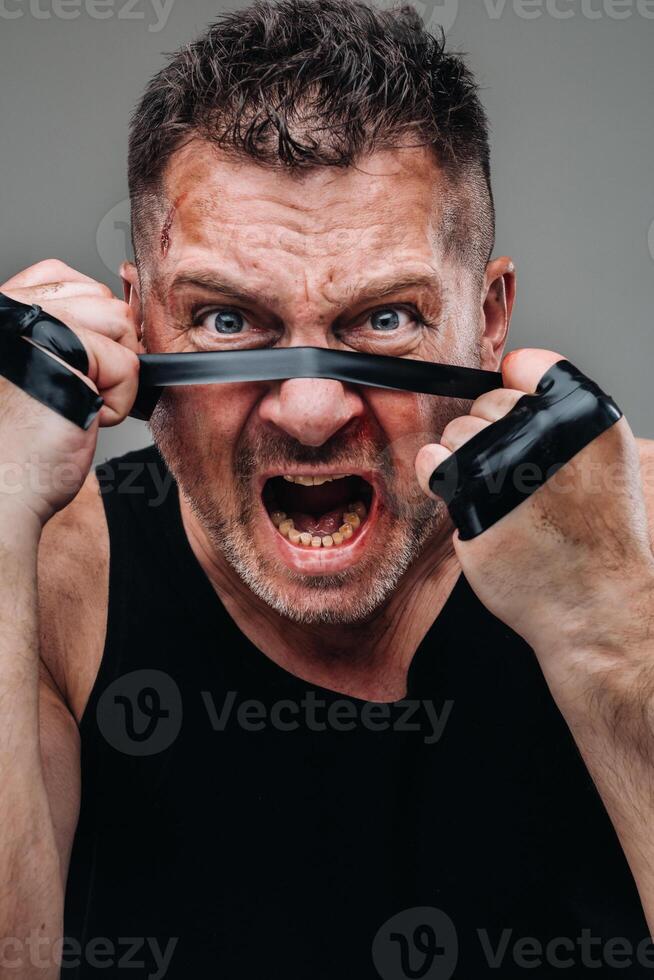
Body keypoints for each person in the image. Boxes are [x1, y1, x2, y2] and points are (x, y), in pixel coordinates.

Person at [1, 0, 654, 976]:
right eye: (226, 321)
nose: (309, 411)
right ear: (137, 328)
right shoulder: (55, 588)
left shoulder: (639, 545)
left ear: (489, 318)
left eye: (386, 317)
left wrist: (610, 631)